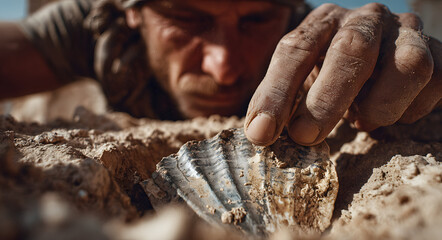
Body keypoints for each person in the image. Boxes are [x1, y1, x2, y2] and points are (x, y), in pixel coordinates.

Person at [0, 0, 440, 147]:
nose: (223, 66)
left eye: (254, 22)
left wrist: (404, 69)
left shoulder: (316, 42)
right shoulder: (95, 25)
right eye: (187, 20)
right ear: (133, 14)